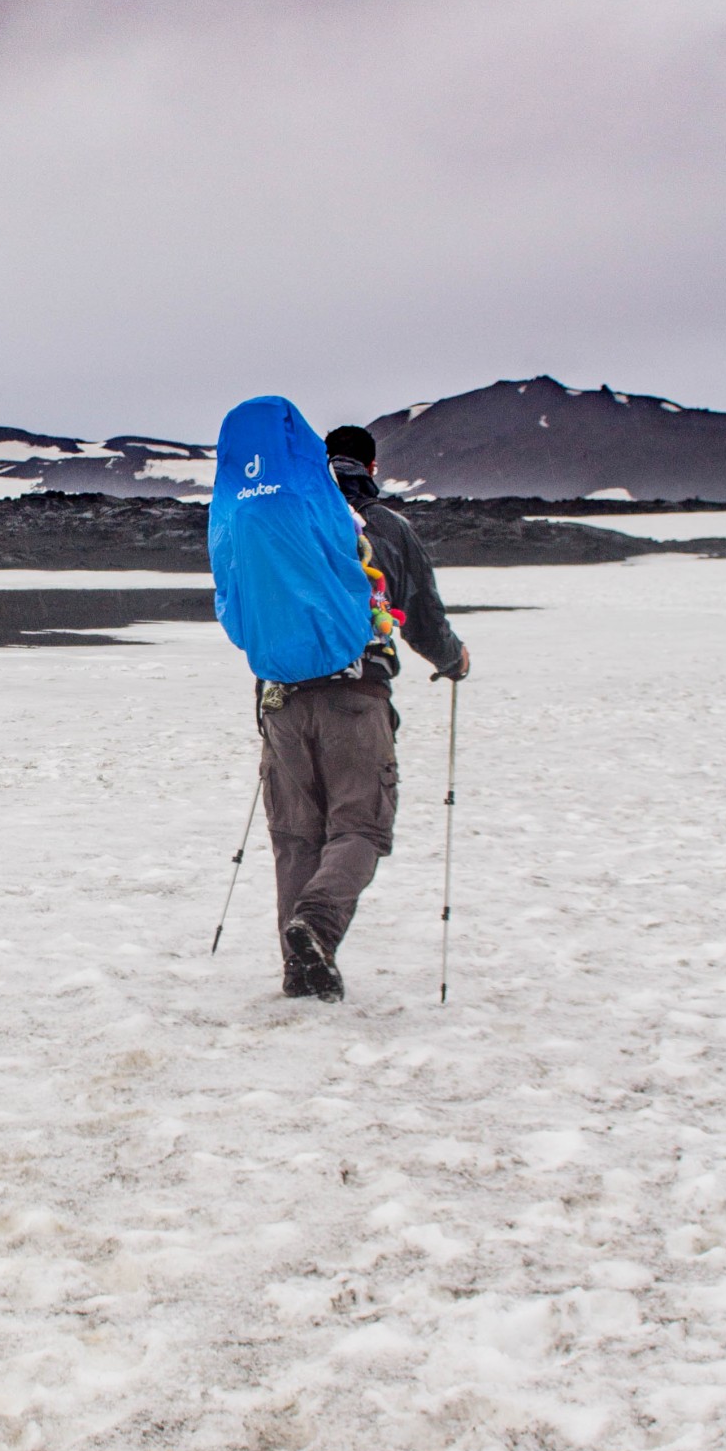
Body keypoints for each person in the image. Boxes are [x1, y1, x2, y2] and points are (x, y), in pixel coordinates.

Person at [209, 402, 468, 1002]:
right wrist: (453, 660)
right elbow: (423, 618)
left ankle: (301, 975)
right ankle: (317, 927)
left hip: (280, 701)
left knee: (297, 837)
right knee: (360, 827)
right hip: (355, 696)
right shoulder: (388, 528)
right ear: (372, 465)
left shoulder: (282, 517)